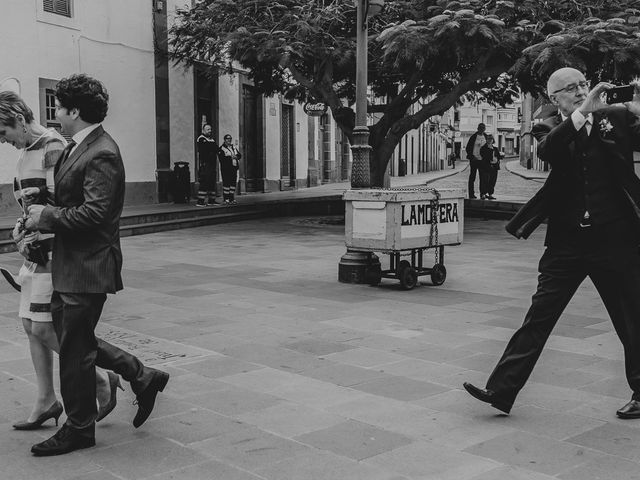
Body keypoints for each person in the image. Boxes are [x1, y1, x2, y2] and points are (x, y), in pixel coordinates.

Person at [463, 67, 640, 419]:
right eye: (569, 89)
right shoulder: (547, 125)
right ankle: (501, 390)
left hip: (614, 237)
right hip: (567, 244)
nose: (579, 91)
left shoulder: (616, 117)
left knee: (631, 318)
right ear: (554, 98)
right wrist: (582, 112)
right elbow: (550, 151)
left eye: (582, 85)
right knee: (539, 316)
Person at [24, 74, 169, 456]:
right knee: (77, 343)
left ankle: (79, 428)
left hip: (89, 266)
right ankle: (142, 375)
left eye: (59, 107)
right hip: (72, 263)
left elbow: (96, 213)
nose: (55, 115)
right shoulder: (78, 146)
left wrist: (47, 217)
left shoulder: (102, 150)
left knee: (75, 350)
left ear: (74, 110)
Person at [0, 91, 120, 431]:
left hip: (54, 253)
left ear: (19, 120)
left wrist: (35, 233)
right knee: (30, 326)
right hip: (37, 251)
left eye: (3, 132)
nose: (2, 140)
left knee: (42, 326)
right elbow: (32, 205)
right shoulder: (28, 149)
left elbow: (60, 203)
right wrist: (21, 229)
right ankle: (46, 399)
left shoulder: (52, 146)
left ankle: (99, 378)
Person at [195, 123, 218, 206]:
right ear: (203, 130)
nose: (210, 131)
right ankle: (200, 201)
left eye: (210, 129)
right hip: (205, 163)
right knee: (204, 181)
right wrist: (212, 149)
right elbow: (205, 150)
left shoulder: (211, 139)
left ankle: (212, 200)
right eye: (208, 129)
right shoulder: (201, 139)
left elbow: (216, 149)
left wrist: (212, 149)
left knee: (212, 181)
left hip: (212, 164)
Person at [465, 123, 486, 199]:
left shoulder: (486, 137)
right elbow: (468, 148)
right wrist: (472, 157)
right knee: (472, 177)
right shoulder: (473, 137)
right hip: (474, 160)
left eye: (483, 128)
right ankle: (471, 193)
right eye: (480, 128)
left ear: (485, 129)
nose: (482, 129)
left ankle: (482, 193)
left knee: (483, 177)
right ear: (478, 128)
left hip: (482, 161)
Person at [218, 134, 241, 205]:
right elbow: (221, 159)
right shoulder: (221, 148)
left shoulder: (233, 147)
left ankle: (232, 198)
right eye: (227, 139)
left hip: (234, 168)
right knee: (226, 184)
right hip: (226, 169)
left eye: (230, 139)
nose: (229, 140)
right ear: (224, 140)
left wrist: (236, 156)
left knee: (233, 184)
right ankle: (226, 199)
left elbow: (239, 155)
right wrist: (231, 157)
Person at [479, 135, 501, 200]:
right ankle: (483, 194)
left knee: (493, 181)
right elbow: (484, 156)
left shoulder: (495, 148)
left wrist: (498, 161)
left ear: (493, 140)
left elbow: (498, 156)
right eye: (488, 139)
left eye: (491, 139)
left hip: (495, 167)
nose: (490, 140)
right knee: (485, 180)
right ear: (486, 140)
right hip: (487, 167)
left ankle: (490, 194)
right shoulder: (483, 148)